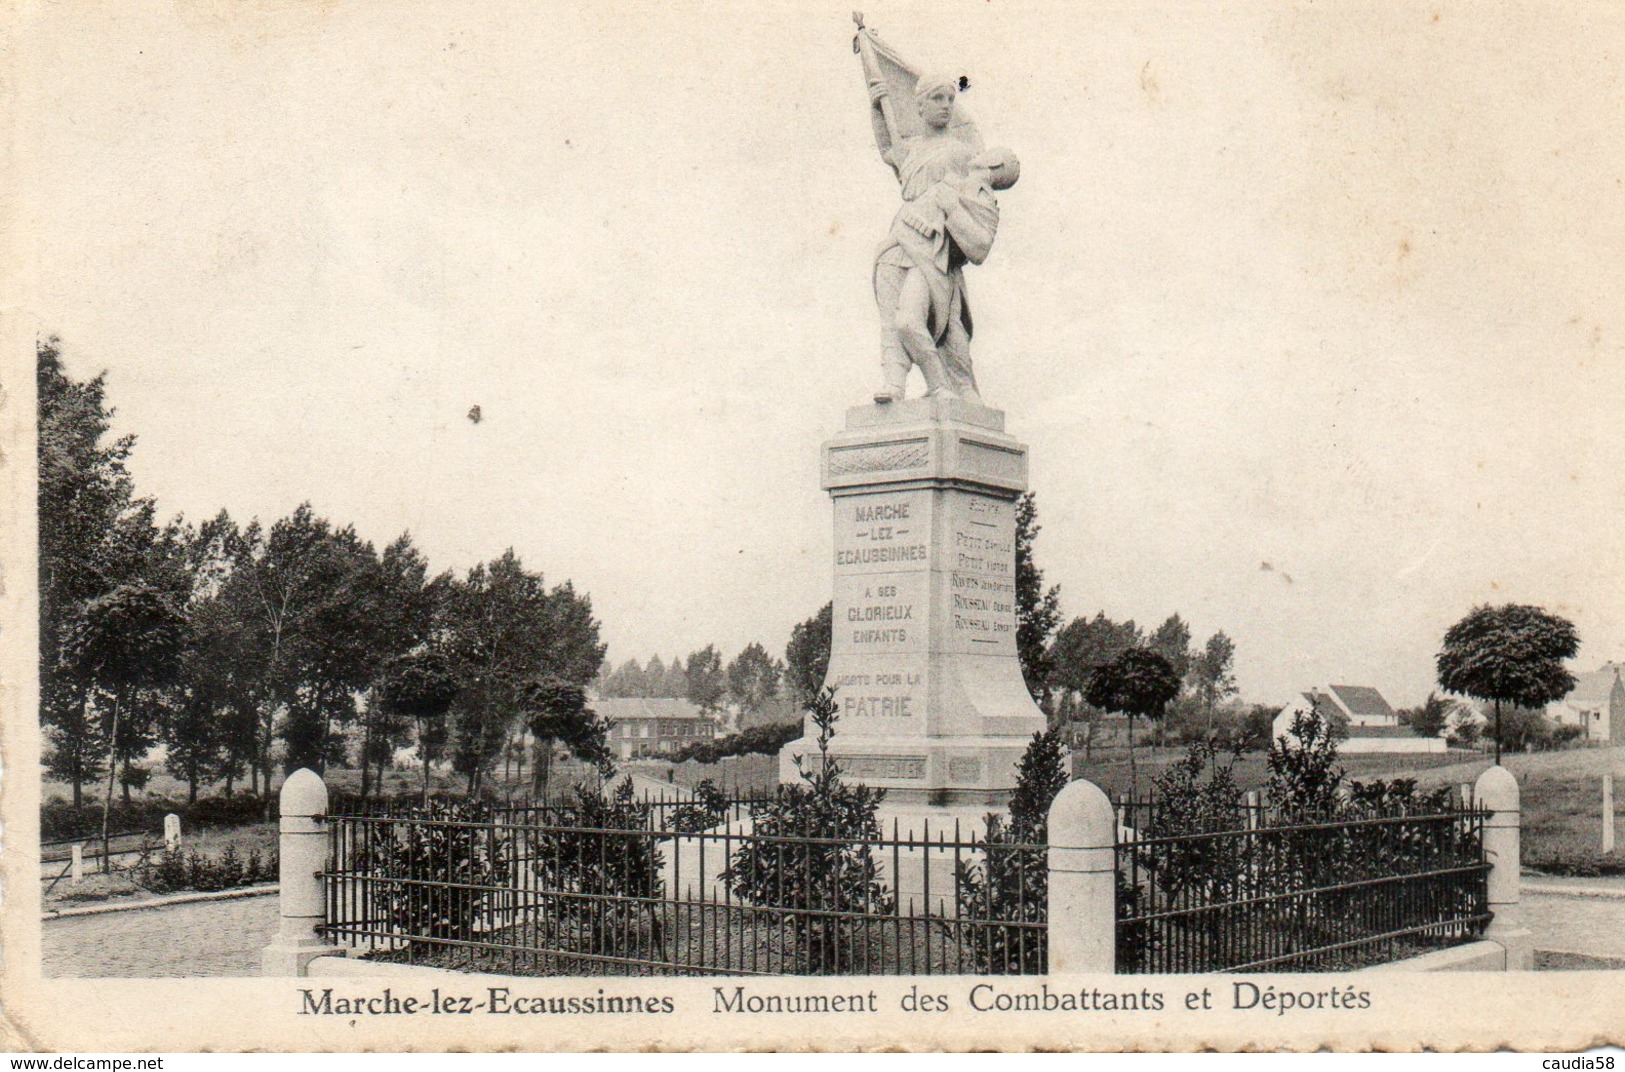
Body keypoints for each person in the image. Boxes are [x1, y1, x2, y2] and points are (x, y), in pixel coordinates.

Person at [868, 74, 1018, 403]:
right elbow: (890, 152)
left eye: (950, 99)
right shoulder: (912, 148)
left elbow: (974, 208)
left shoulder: (962, 153)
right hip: (898, 241)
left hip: (932, 247)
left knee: (913, 321)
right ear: (919, 106)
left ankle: (941, 385)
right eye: (938, 99)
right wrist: (877, 105)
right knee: (891, 321)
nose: (946, 106)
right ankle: (894, 385)